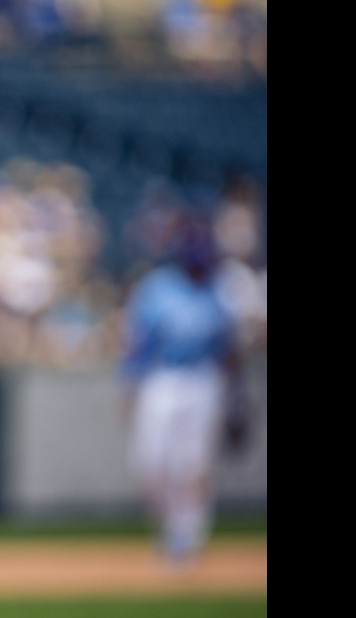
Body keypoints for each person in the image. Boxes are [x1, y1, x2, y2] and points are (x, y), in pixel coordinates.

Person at [117, 206, 248, 568]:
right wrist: (129, 388)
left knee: (193, 465)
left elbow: (230, 351)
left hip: (204, 381)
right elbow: (137, 346)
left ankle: (186, 536)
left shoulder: (221, 289)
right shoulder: (156, 287)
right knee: (150, 463)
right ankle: (170, 527)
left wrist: (239, 401)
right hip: (161, 380)